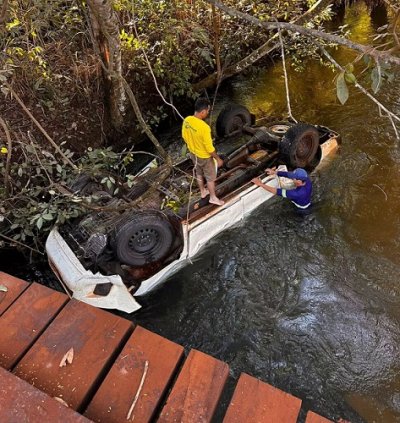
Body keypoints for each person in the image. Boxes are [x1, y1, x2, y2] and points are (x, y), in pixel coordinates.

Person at [182, 98, 224, 206]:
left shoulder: (187, 120)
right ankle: (213, 198)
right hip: (205, 157)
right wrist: (217, 158)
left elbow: (184, 136)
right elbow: (209, 148)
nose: (208, 113)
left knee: (199, 174)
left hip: (193, 154)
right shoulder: (204, 128)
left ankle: (202, 192)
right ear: (203, 112)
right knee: (210, 178)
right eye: (208, 111)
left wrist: (193, 146)